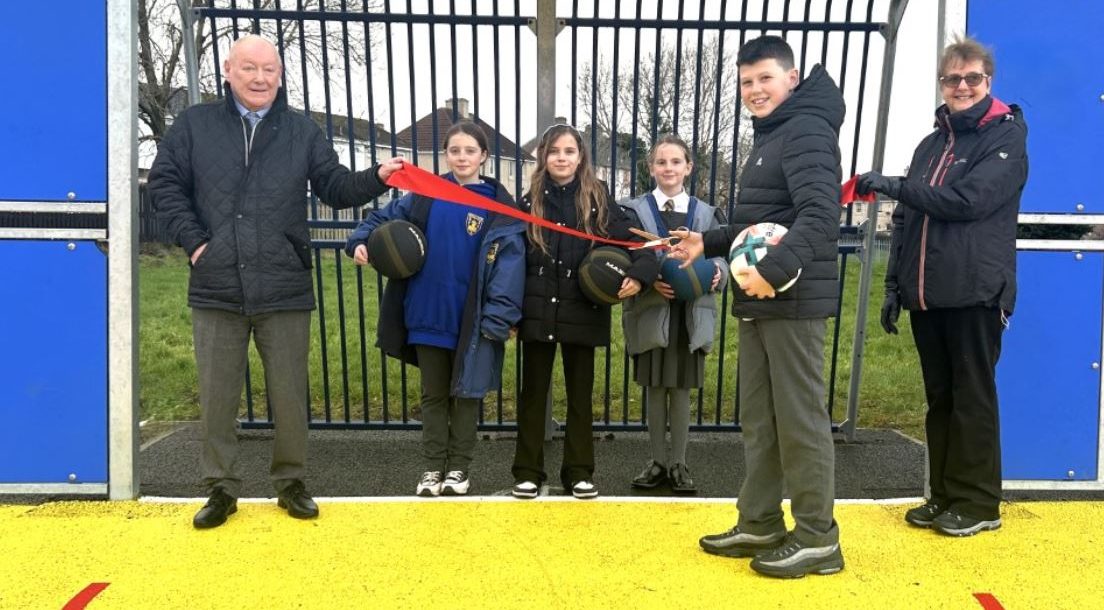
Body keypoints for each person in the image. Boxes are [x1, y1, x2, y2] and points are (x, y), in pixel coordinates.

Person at [149, 35, 402, 529]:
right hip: (216, 283)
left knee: (289, 394)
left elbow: (334, 186)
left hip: (283, 283)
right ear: (227, 70)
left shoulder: (302, 131)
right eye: (249, 68)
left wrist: (377, 175)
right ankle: (220, 488)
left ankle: (291, 482)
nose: (260, 78)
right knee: (218, 394)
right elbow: (163, 184)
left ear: (280, 74)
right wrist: (197, 242)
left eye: (269, 69)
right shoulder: (195, 125)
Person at [669, 35, 845, 578]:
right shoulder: (774, 133)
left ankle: (818, 538)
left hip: (789, 298)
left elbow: (819, 216)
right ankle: (761, 521)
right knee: (760, 418)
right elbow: (767, 217)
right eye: (746, 82)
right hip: (762, 299)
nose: (754, 90)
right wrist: (710, 241)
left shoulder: (808, 129)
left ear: (791, 78)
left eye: (765, 78)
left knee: (800, 421)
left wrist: (769, 273)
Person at [857, 36, 1027, 537]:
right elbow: (907, 219)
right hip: (928, 294)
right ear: (943, 84)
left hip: (976, 290)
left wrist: (891, 184)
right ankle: (945, 494)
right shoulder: (931, 144)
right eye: (953, 78)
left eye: (972, 78)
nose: (962, 86)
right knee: (941, 398)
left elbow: (967, 201)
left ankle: (979, 503)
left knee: (973, 397)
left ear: (988, 82)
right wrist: (894, 286)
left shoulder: (1007, 138)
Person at [344, 121, 526, 497]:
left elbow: (510, 267)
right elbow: (380, 219)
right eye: (455, 150)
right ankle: (432, 469)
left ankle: (458, 468)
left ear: (484, 157)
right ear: (446, 155)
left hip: (472, 319)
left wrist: (500, 316)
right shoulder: (424, 194)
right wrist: (361, 240)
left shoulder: (499, 207)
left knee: (466, 394)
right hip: (427, 312)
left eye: (470, 151)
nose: (462, 157)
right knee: (433, 394)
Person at [511, 124, 659, 500]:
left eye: (569, 151)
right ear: (544, 156)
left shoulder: (598, 200)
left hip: (584, 310)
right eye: (554, 151)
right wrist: (510, 312)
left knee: (580, 395)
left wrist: (640, 277)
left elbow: (637, 243)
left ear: (581, 157)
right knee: (533, 394)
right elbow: (510, 260)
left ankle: (578, 472)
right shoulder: (529, 203)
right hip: (537, 310)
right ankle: (528, 471)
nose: (562, 158)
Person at [620, 135, 727, 494]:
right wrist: (650, 284)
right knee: (654, 386)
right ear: (651, 168)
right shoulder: (634, 211)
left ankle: (679, 462)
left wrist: (717, 275)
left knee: (681, 388)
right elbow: (626, 256)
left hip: (691, 313)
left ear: (688, 167)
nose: (668, 168)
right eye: (661, 162)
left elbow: (722, 257)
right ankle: (656, 462)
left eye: (675, 162)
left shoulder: (707, 213)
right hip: (651, 310)